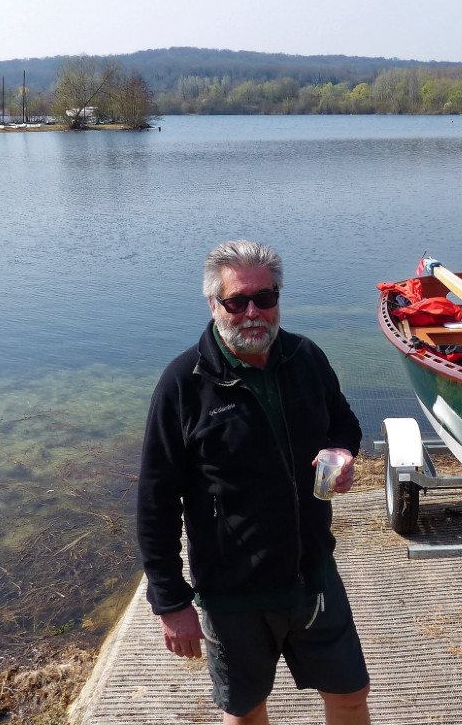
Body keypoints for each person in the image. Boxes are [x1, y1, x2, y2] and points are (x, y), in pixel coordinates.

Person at [137, 240, 371, 725]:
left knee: (351, 694)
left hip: (314, 576)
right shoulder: (184, 383)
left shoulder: (306, 357)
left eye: (264, 298)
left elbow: (344, 422)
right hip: (233, 595)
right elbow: (156, 501)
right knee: (245, 714)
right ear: (213, 304)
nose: (252, 313)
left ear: (278, 298)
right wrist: (170, 601)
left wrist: (342, 451)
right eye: (236, 301)